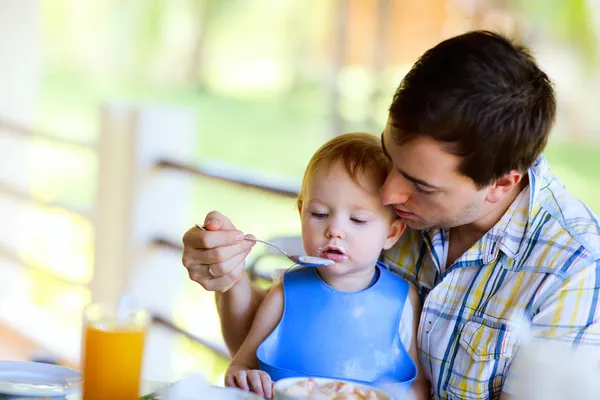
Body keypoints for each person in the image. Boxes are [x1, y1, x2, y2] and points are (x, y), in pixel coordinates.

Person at [181, 30, 600, 400]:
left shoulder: (571, 271)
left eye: (421, 184)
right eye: (390, 156)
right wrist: (227, 278)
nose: (388, 192)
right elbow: (280, 343)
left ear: (502, 184)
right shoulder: (383, 206)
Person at [221, 133, 427, 398]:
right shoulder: (285, 293)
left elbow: (418, 386)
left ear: (392, 233)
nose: (335, 230)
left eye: (358, 219)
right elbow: (240, 365)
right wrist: (247, 376)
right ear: (301, 212)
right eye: (319, 214)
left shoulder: (404, 300)